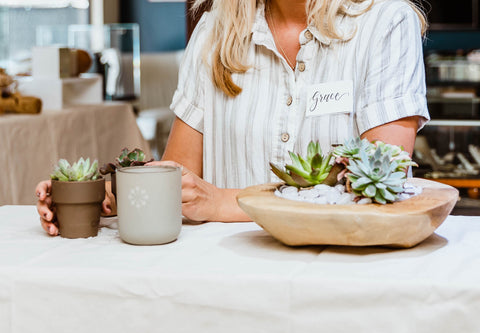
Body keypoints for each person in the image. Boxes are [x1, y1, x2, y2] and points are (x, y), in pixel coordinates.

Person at [37, 0, 430, 235]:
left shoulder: (387, 22)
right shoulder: (213, 30)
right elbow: (180, 181)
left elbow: (383, 191)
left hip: (348, 277)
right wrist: (94, 196)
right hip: (227, 277)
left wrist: (225, 203)